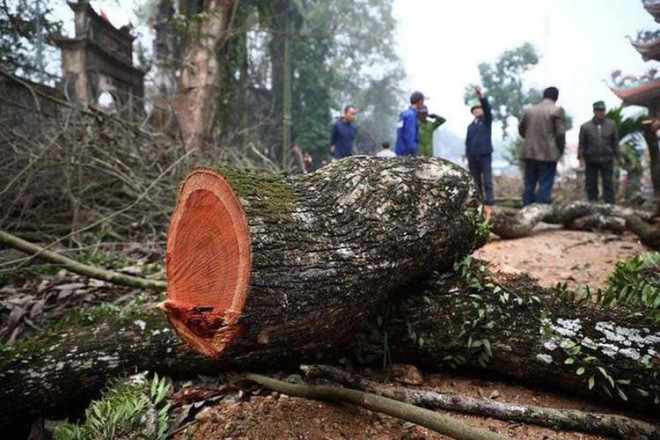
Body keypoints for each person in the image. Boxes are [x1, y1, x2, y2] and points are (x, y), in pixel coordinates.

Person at [518, 86, 567, 206]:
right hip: (548, 153)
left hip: (530, 152)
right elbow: (560, 133)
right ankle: (540, 212)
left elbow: (521, 129)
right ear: (556, 98)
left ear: (543, 96)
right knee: (545, 184)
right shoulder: (556, 111)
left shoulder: (529, 110)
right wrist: (560, 149)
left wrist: (529, 139)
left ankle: (526, 210)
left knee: (529, 183)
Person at [578, 101, 621, 204]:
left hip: (607, 158)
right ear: (594, 112)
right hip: (591, 159)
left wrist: (619, 157)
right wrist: (580, 157)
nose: (601, 113)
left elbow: (615, 142)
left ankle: (610, 204)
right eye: (599, 110)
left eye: (603, 110)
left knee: (608, 183)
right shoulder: (585, 127)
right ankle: (592, 204)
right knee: (591, 183)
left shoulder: (611, 125)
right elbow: (582, 144)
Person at [465, 86, 494, 221]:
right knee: (475, 180)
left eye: (479, 108)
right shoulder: (470, 126)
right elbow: (468, 142)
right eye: (474, 110)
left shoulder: (486, 121)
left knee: (487, 179)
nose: (477, 111)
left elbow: (487, 108)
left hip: (485, 154)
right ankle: (479, 200)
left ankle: (490, 200)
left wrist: (481, 97)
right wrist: (468, 154)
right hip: (473, 156)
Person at [396, 91, 424, 156]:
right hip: (408, 154)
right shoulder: (411, 116)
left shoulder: (404, 114)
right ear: (419, 101)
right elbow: (410, 135)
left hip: (400, 151)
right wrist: (414, 152)